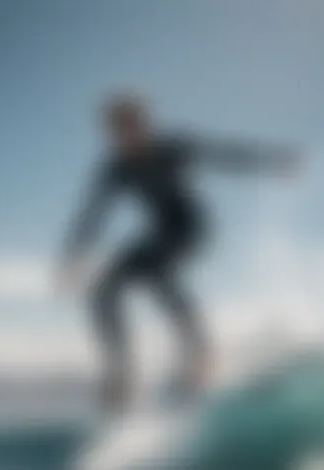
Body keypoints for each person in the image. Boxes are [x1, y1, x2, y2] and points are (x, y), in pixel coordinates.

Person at [59, 93, 301, 413]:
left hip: (192, 229)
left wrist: (273, 161)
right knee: (103, 288)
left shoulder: (172, 149)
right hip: (159, 233)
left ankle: (200, 349)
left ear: (145, 125)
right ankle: (122, 373)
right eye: (117, 132)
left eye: (131, 127)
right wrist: (73, 256)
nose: (125, 138)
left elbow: (225, 155)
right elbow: (92, 215)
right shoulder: (116, 169)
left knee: (157, 274)